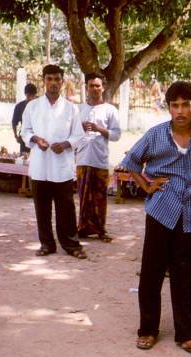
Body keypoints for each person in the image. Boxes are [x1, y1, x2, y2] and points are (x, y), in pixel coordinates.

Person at [120, 81, 191, 357]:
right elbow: (130, 162)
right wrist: (147, 186)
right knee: (152, 272)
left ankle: (188, 336)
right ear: (169, 108)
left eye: (185, 105)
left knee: (185, 274)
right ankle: (148, 329)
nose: (180, 111)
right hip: (162, 210)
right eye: (174, 105)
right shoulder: (155, 135)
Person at [21, 64, 87, 259]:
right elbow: (25, 131)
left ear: (62, 81)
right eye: (49, 79)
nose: (53, 83)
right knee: (42, 208)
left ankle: (71, 245)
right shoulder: (32, 107)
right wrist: (36, 140)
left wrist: (66, 143)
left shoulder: (71, 108)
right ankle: (47, 244)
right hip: (40, 166)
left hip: (62, 167)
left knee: (66, 208)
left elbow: (79, 135)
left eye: (57, 79)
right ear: (44, 81)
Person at [76, 72, 121, 242]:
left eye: (97, 86)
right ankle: (83, 228)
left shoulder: (110, 110)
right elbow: (70, 132)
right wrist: (80, 128)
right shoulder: (78, 109)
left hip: (100, 159)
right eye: (91, 86)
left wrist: (99, 129)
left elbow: (116, 135)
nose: (94, 89)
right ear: (86, 87)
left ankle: (101, 229)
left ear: (103, 88)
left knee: (100, 197)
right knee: (83, 195)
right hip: (82, 158)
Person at [12, 83, 37, 154]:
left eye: (33, 96)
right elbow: (14, 122)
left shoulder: (40, 106)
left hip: (38, 138)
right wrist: (16, 136)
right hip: (25, 137)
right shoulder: (19, 107)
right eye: (29, 96)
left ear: (36, 95)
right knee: (24, 159)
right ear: (25, 95)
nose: (31, 98)